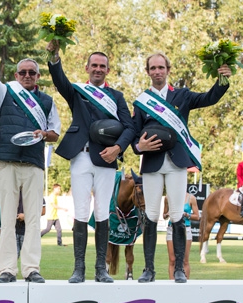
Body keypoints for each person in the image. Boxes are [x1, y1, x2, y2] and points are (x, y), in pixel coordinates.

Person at [132, 52, 231, 283]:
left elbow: (210, 98)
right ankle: (148, 269)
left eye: (161, 67)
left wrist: (223, 80)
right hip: (152, 163)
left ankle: (178, 269)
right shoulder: (141, 100)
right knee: (152, 215)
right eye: (153, 68)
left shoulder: (183, 95)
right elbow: (133, 133)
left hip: (177, 162)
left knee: (177, 215)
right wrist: (139, 146)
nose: (157, 71)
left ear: (168, 69)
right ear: (148, 72)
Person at [0, 37, 61, 284]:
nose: (27, 75)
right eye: (23, 72)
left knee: (33, 219)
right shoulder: (5, 91)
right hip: (8, 162)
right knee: (7, 218)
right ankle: (7, 270)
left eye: (32, 72)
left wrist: (44, 134)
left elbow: (55, 132)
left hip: (33, 163)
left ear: (38, 76)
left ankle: (32, 269)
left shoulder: (46, 101)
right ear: (16, 74)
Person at [46, 41, 136, 284]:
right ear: (87, 68)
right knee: (81, 213)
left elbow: (130, 127)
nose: (98, 69)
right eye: (94, 65)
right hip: (81, 156)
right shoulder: (77, 91)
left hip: (106, 159)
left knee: (103, 212)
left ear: (108, 70)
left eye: (102, 66)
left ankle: (101, 268)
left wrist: (118, 148)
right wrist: (54, 55)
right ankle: (79, 269)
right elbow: (59, 80)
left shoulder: (116, 96)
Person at [163, 192, 199, 280]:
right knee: (172, 259)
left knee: (184, 260)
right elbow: (164, 215)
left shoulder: (191, 198)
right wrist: (167, 214)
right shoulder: (168, 197)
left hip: (185, 228)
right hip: (171, 228)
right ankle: (172, 283)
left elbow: (197, 216)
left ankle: (185, 283)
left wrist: (187, 214)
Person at [16, 193, 46, 258]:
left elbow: (43, 211)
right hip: (13, 230)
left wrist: (26, 216)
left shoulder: (34, 192)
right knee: (11, 259)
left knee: (28, 258)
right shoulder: (13, 191)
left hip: (28, 231)